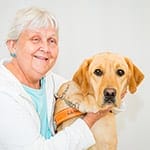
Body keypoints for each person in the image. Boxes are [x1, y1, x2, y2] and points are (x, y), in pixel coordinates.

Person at [0, 7, 126, 150]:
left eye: (52, 41)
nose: (45, 48)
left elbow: (89, 95)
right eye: (35, 39)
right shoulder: (3, 95)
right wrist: (90, 119)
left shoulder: (50, 80)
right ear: (12, 46)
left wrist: (111, 92)